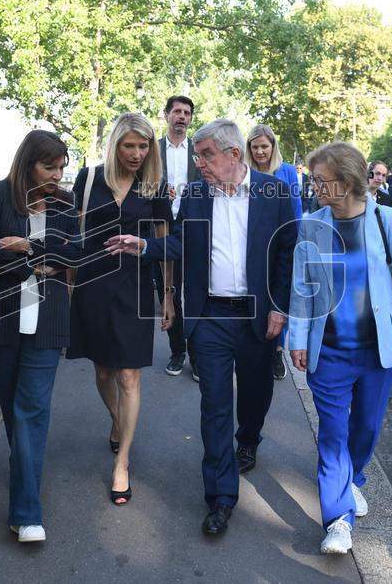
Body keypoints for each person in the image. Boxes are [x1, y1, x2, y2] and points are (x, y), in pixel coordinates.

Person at [105, 119, 297, 536]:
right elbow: (180, 243)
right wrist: (145, 245)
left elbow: (287, 255)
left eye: (206, 155)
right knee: (214, 406)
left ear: (233, 154)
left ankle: (250, 438)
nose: (199, 163)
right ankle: (220, 498)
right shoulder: (195, 195)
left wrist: (279, 308)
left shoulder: (274, 193)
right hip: (209, 317)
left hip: (257, 316)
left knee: (256, 396)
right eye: (197, 156)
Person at [288, 142, 392, 555]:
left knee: (365, 428)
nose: (313, 187)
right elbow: (302, 288)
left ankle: (354, 477)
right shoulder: (311, 224)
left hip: (376, 352)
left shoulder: (388, 220)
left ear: (345, 181)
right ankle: (339, 520)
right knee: (333, 435)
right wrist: (297, 339)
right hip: (328, 352)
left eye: (320, 180)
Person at [0, 130, 82, 544]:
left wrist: (25, 248)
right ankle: (26, 479)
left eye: (61, 167)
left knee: (32, 410)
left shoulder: (65, 202)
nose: (57, 175)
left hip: (47, 319)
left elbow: (75, 253)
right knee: (14, 411)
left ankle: (27, 514)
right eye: (50, 167)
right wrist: (38, 263)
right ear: (28, 163)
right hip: (0, 319)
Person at [68, 112, 174, 506]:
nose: (137, 153)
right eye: (129, 145)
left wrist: (168, 295)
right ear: (115, 145)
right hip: (92, 286)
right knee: (103, 372)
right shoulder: (88, 179)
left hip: (135, 287)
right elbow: (72, 235)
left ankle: (122, 463)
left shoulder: (153, 186)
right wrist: (66, 289)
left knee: (129, 375)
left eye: (144, 146)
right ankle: (117, 421)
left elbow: (165, 241)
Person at [245, 123, 303, 382]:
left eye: (264, 146)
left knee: (280, 293)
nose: (259, 152)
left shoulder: (287, 171)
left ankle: (277, 350)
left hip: (282, 241)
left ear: (273, 146)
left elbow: (296, 208)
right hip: (254, 244)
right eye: (255, 147)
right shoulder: (245, 172)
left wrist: (296, 243)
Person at [158, 95, 200, 381]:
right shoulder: (152, 149)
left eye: (186, 112)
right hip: (161, 227)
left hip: (193, 227)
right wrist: (159, 190)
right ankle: (177, 351)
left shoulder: (198, 149)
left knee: (195, 292)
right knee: (169, 292)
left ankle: (197, 356)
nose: (182, 116)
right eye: (177, 111)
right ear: (166, 116)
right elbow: (139, 184)